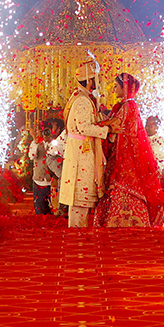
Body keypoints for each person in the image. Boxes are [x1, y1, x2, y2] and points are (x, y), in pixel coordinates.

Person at [94, 73, 164, 227]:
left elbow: (115, 124)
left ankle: (125, 220)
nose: (114, 89)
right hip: (121, 152)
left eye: (116, 86)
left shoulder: (129, 105)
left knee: (124, 183)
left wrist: (96, 124)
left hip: (125, 155)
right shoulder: (125, 106)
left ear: (125, 88)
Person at [58, 56, 109, 228]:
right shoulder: (81, 100)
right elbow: (84, 127)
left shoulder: (83, 97)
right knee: (80, 197)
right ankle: (77, 236)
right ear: (89, 81)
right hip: (81, 152)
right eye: (96, 80)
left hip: (82, 150)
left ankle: (80, 234)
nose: (97, 84)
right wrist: (106, 131)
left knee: (83, 199)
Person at [28, 122, 54, 215]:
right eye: (44, 131)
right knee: (40, 212)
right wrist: (35, 141)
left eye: (48, 131)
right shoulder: (35, 143)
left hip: (52, 182)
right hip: (38, 181)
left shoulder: (56, 143)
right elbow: (31, 156)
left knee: (55, 211)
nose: (46, 134)